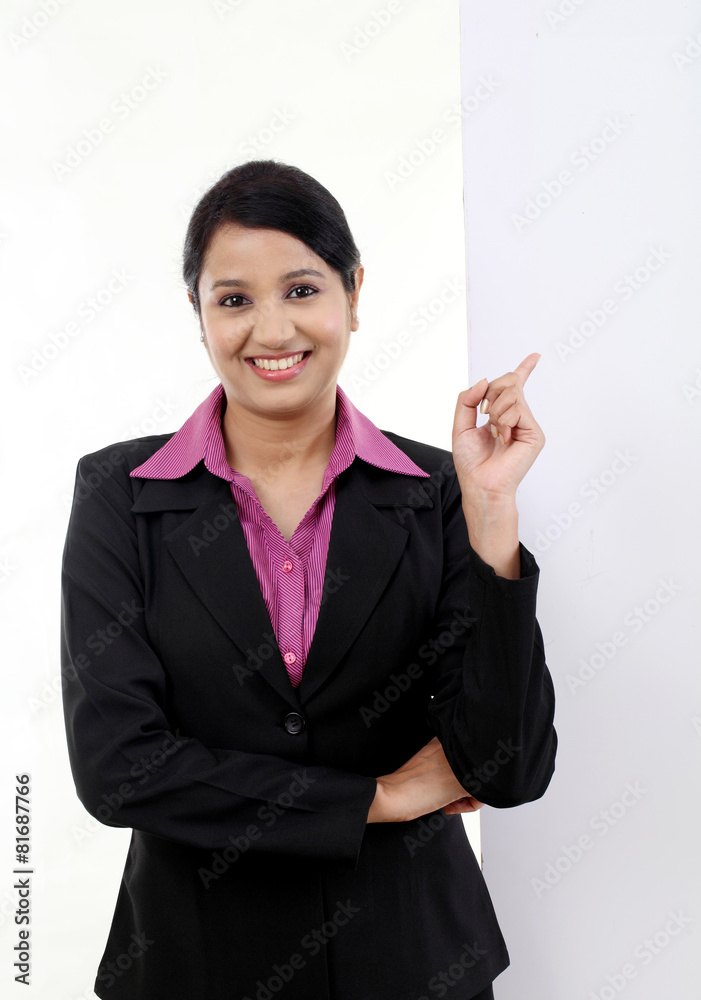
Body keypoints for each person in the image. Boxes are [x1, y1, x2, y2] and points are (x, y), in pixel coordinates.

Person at [60, 159, 557, 1000]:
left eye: (300, 289)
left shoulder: (438, 493)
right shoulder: (120, 492)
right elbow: (118, 768)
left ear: (353, 294)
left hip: (412, 965)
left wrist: (493, 517)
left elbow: (505, 767)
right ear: (199, 314)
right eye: (232, 299)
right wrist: (383, 796)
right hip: (192, 964)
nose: (270, 330)